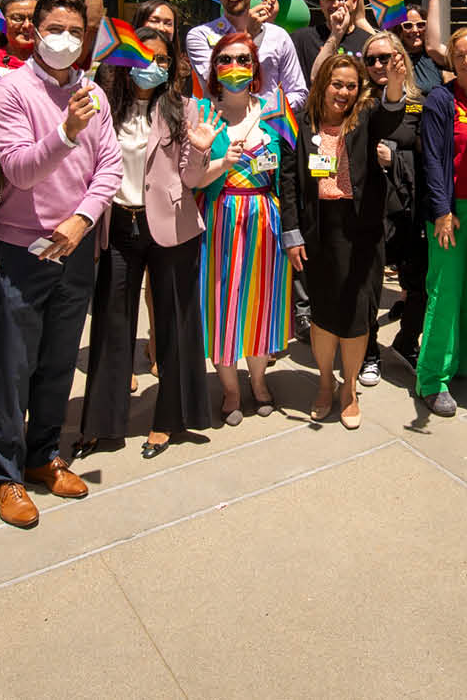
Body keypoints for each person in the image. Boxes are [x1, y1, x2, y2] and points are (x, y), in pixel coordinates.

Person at [0, 0, 121, 529]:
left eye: (73, 29)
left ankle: (43, 455)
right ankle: (7, 474)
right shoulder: (9, 90)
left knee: (60, 360)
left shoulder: (92, 93)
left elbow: (108, 168)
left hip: (75, 243)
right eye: (53, 28)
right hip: (23, 247)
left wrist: (82, 220)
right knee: (16, 367)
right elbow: (18, 170)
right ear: (34, 33)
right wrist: (65, 132)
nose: (64, 37)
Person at [77, 32, 214, 460]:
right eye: (140, 56)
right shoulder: (104, 106)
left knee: (174, 324)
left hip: (171, 224)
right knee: (112, 326)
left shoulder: (185, 109)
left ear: (170, 65)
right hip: (119, 223)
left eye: (158, 58)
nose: (148, 65)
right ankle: (101, 422)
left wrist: (201, 150)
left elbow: (191, 179)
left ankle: (168, 420)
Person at [184, 29, 300, 422]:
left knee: (262, 302)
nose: (235, 67)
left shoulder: (274, 111)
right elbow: (190, 179)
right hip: (220, 221)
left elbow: (289, 174)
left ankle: (260, 380)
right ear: (215, 69)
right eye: (226, 60)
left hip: (266, 222)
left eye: (243, 60)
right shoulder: (201, 113)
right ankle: (231, 390)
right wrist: (220, 163)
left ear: (255, 68)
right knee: (223, 305)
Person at [286, 52, 402, 426]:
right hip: (319, 231)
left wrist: (396, 85)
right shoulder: (301, 123)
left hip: (361, 233)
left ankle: (348, 388)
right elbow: (288, 180)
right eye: (338, 84)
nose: (344, 93)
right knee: (322, 314)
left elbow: (390, 115)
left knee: (355, 316)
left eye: (351, 86)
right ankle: (324, 383)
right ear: (323, 84)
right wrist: (291, 234)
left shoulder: (365, 117)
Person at [416, 28, 467, 416]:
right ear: (451, 61)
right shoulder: (440, 101)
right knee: (444, 293)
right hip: (450, 212)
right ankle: (432, 378)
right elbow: (431, 161)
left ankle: (464, 363)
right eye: (459, 56)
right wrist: (442, 211)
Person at [362, 29, 425, 377]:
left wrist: (395, 157)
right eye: (369, 59)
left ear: (399, 57)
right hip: (369, 210)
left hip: (405, 208)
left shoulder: (418, 102)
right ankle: (369, 351)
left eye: (383, 57)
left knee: (418, 283)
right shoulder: (359, 99)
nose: (376, 65)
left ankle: (406, 340)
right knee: (369, 287)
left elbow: (425, 153)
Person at [185, 0, 308, 103]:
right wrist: (248, 35)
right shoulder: (200, 36)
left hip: (268, 123)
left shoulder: (278, 36)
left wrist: (266, 114)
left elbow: (298, 92)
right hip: (221, 123)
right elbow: (215, 84)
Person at [294, 0, 374, 76]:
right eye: (330, 0)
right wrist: (336, 34)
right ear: (322, 4)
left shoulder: (368, 42)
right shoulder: (302, 39)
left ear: (354, 3)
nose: (336, 4)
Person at [401, 6, 443, 91]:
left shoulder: (437, 57)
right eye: (408, 25)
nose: (415, 30)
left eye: (421, 25)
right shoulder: (390, 58)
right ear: (399, 30)